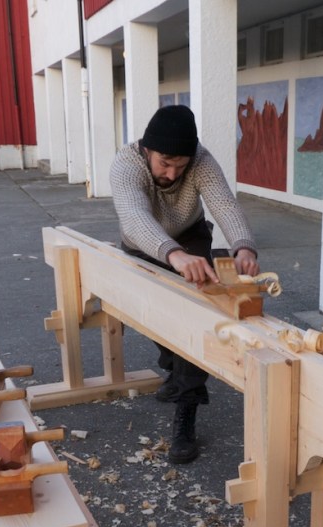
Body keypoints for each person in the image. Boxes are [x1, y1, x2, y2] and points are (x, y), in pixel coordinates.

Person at [110, 104, 260, 464]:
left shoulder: (201, 161)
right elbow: (133, 217)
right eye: (164, 163)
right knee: (153, 317)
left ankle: (187, 410)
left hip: (190, 238)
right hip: (145, 241)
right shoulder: (126, 164)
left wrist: (243, 246)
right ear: (147, 150)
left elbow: (224, 205)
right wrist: (172, 254)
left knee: (197, 316)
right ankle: (172, 366)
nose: (173, 173)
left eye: (181, 165)